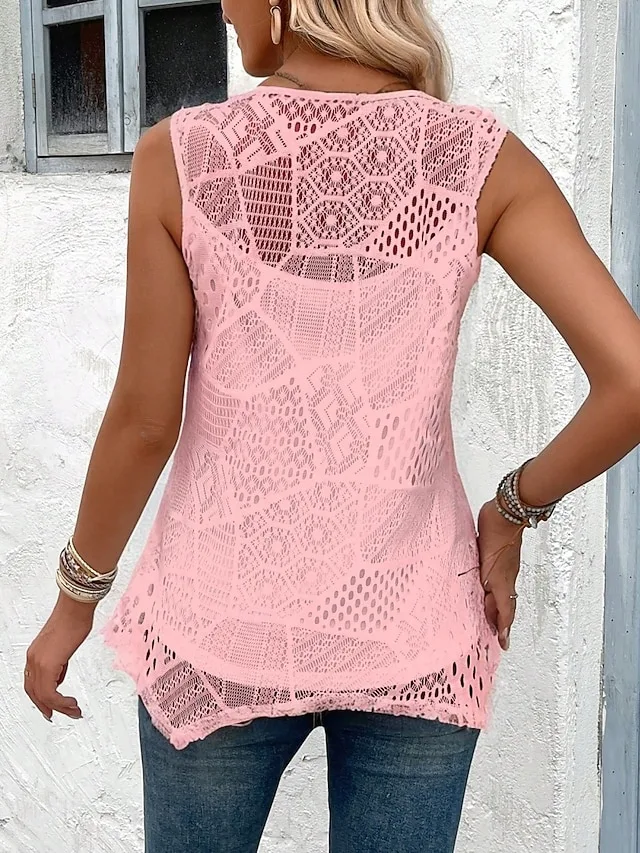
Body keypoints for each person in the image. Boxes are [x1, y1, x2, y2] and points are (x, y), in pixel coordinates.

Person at [23, 1, 640, 851]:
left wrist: (74, 601)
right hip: (415, 630)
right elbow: (631, 382)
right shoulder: (478, 160)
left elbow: (143, 422)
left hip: (217, 628)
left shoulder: (182, 157)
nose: (223, 9)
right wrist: (511, 510)